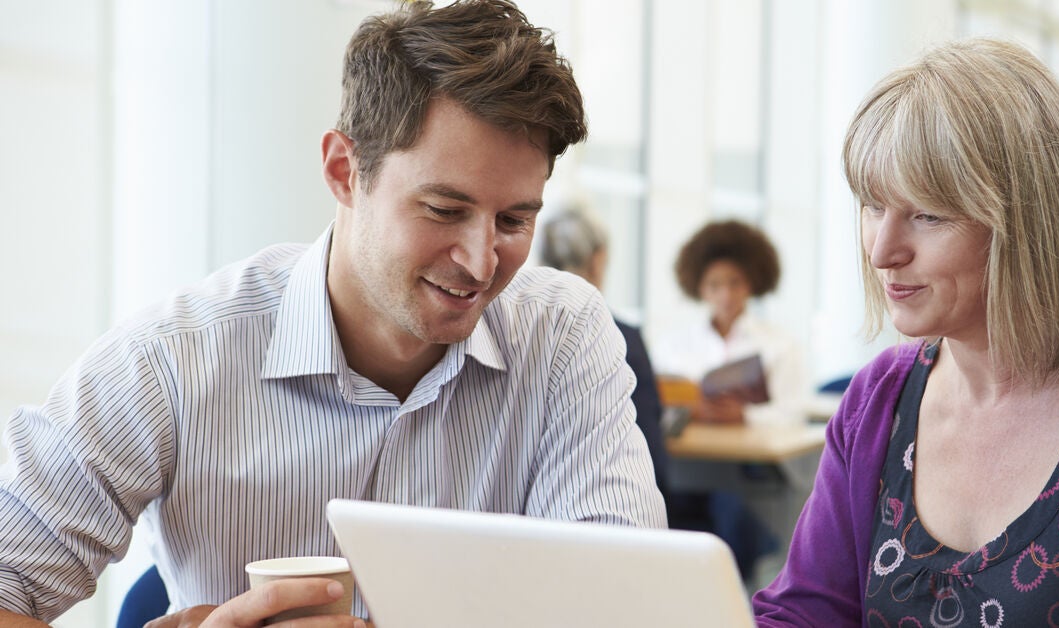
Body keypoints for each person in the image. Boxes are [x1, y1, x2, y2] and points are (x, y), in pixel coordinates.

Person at [0, 1, 666, 626]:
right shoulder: (173, 361)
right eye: (443, 209)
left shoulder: (563, 337)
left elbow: (626, 605)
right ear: (346, 171)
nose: (481, 260)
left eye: (514, 219)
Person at [754, 38, 1059, 626]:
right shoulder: (876, 402)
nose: (883, 251)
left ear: (1027, 222)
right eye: (871, 205)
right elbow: (802, 615)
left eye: (928, 215)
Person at [539, 207, 671, 503]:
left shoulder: (510, 333)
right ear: (598, 260)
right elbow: (653, 460)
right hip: (610, 516)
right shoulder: (622, 338)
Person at [653, 220, 808, 426]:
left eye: (735, 283)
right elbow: (654, 406)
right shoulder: (672, 346)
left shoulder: (780, 345)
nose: (726, 295)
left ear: (751, 284)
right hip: (688, 454)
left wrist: (746, 415)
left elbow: (794, 414)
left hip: (753, 456)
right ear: (700, 289)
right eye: (714, 285)